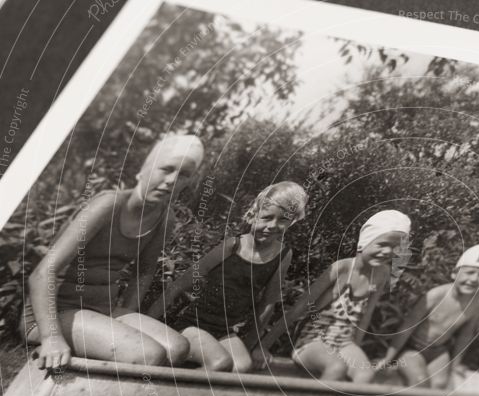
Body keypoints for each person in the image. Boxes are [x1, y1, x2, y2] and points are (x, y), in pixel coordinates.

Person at [22, 134, 205, 370]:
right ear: (146, 167)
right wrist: (51, 338)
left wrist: (127, 321)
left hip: (102, 310)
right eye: (166, 169)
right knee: (149, 355)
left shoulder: (165, 219)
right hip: (55, 311)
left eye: (183, 175)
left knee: (178, 349)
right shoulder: (108, 205)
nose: (171, 180)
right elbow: (41, 273)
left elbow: (144, 272)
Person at [147, 181, 307, 373]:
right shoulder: (233, 246)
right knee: (219, 363)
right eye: (266, 217)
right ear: (253, 215)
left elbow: (267, 304)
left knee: (242, 366)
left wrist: (252, 345)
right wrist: (147, 323)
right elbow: (180, 284)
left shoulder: (283, 255)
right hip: (193, 325)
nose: (272, 225)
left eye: (283, 220)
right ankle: (178, 393)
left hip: (225, 332)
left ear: (292, 221)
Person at [259, 209, 411, 383]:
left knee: (365, 375)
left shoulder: (381, 274)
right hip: (313, 341)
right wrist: (263, 346)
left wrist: (356, 349)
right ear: (366, 240)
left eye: (394, 247)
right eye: (382, 244)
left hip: (345, 343)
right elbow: (299, 309)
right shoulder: (342, 269)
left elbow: (366, 316)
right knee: (336, 367)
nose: (387, 252)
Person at [376, 243, 479, 389]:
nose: (474, 279)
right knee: (420, 381)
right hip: (412, 350)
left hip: (439, 352)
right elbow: (407, 327)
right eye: (470, 272)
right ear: (455, 273)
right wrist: (388, 358)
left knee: (440, 385)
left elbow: (465, 335)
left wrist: (455, 365)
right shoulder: (436, 296)